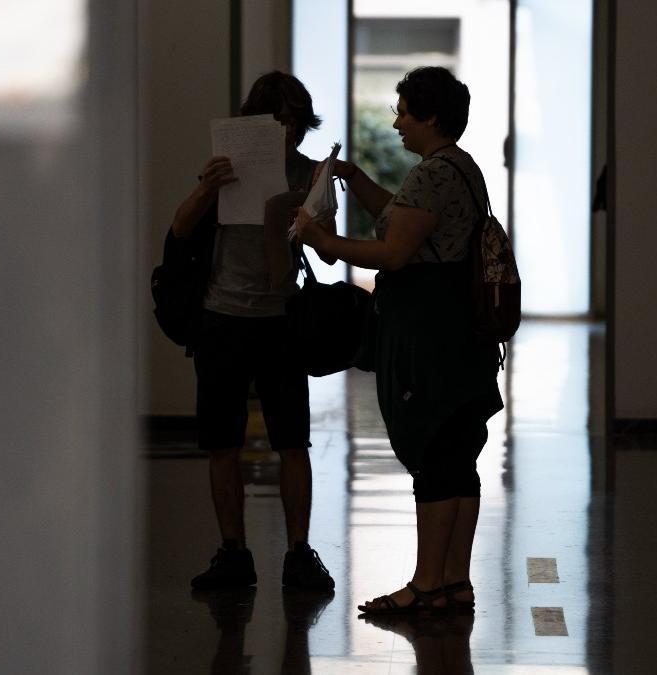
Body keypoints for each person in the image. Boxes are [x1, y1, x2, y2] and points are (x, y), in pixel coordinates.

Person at [295, 66, 503, 613]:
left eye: (405, 112)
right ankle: (454, 582)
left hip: (431, 336)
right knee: (459, 455)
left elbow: (395, 253)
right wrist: (353, 176)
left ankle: (426, 585)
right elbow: (401, 219)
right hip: (464, 336)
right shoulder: (459, 167)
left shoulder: (433, 174)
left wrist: (326, 241)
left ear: (430, 116)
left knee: (434, 452)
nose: (397, 123)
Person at [172, 71, 334, 592]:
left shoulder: (309, 173)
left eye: (294, 123)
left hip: (281, 318)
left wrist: (315, 207)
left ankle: (298, 554)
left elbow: (328, 246)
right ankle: (233, 552)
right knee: (223, 443)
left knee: (293, 442)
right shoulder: (227, 170)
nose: (287, 133)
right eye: (277, 122)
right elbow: (179, 230)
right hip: (222, 317)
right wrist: (207, 185)